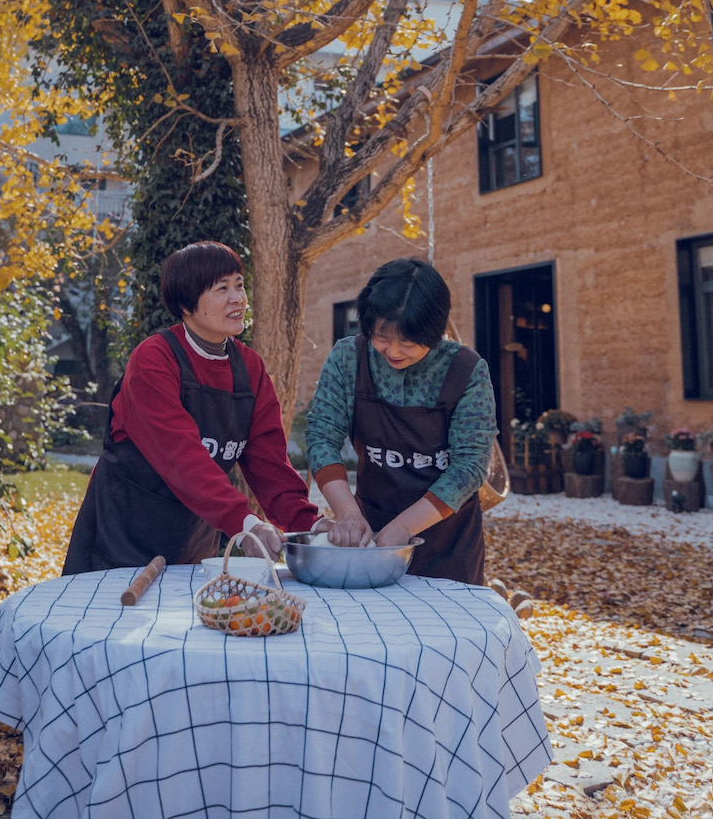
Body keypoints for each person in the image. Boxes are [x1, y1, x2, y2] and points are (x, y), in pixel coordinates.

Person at [63, 241, 328, 574]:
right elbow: (180, 456)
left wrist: (311, 526)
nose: (238, 298)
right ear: (186, 304)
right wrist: (244, 522)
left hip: (193, 541)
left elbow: (269, 465)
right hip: (121, 538)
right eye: (222, 289)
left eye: (239, 285)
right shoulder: (154, 361)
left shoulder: (250, 369)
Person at [305, 257, 497, 584]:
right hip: (371, 536)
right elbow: (322, 438)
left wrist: (404, 527)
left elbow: (469, 467)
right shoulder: (347, 358)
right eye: (382, 337)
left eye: (407, 342)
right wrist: (349, 514)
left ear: (433, 332)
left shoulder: (467, 370)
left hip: (449, 544)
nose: (393, 351)